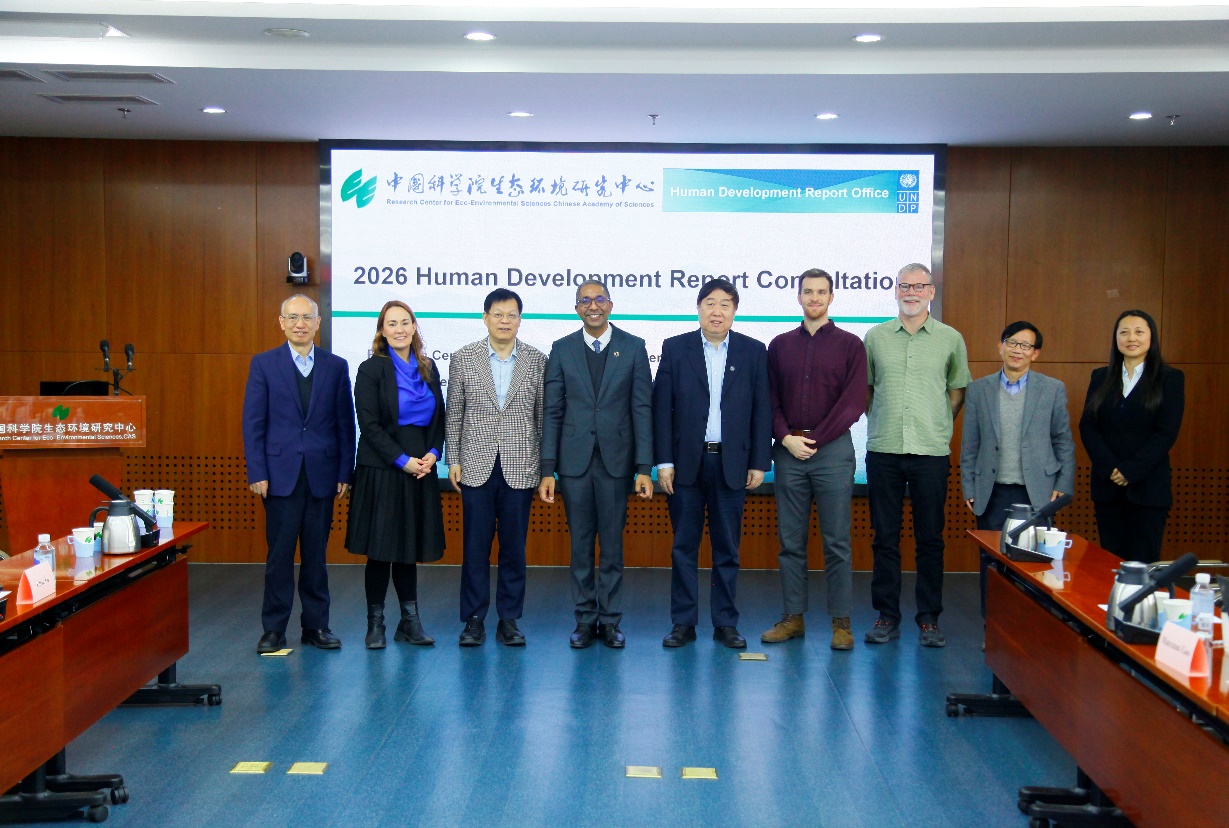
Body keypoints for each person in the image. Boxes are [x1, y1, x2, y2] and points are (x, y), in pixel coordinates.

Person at [653, 278, 771, 650]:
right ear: (698, 308)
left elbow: (762, 410)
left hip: (732, 464)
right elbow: (662, 409)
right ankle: (683, 623)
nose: (716, 311)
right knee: (683, 547)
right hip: (685, 464)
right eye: (709, 303)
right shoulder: (675, 348)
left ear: (734, 310)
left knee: (727, 550)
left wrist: (759, 462)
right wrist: (664, 462)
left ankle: (725, 623)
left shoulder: (753, 351)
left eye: (724, 304)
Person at [539, 279, 654, 649]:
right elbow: (552, 411)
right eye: (585, 300)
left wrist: (644, 467)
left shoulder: (634, 347)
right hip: (573, 464)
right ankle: (585, 620)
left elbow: (642, 410)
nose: (593, 306)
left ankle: (611, 620)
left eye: (599, 299)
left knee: (613, 548)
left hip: (617, 464)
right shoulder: (561, 349)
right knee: (581, 547)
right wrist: (547, 468)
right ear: (577, 308)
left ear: (611, 305)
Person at [863, 264, 970, 648]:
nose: (911, 292)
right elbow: (867, 390)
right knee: (884, 539)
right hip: (884, 450)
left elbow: (957, 391)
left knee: (930, 539)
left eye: (919, 286)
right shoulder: (875, 337)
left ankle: (929, 619)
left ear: (931, 292)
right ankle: (886, 616)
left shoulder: (951, 338)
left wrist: (936, 424)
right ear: (895, 291)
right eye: (905, 286)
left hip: (930, 452)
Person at [242, 294, 356, 654]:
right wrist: (257, 470)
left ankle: (316, 626)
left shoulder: (336, 366)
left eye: (306, 317)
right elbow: (253, 422)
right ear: (281, 322)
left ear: (318, 323)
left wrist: (345, 471)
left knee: (316, 557)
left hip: (323, 475)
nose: (300, 324)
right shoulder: (264, 364)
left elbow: (345, 423)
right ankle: (274, 630)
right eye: (292, 317)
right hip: (279, 476)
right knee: (279, 557)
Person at [761, 269, 867, 651]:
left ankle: (841, 623)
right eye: (808, 291)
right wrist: (786, 438)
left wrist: (815, 439)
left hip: (832, 452)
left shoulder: (851, 345)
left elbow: (854, 403)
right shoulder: (779, 345)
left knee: (836, 541)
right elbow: (769, 398)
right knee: (790, 541)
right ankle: (793, 618)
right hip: (789, 450)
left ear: (832, 297)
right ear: (799, 297)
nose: (815, 298)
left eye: (822, 292)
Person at [446, 288, 546, 647]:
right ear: (485, 317)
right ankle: (473, 619)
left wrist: (545, 468)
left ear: (520, 319)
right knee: (475, 547)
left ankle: (509, 618)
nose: (505, 321)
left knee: (514, 548)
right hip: (475, 465)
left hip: (521, 466)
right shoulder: (464, 358)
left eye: (512, 315)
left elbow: (542, 417)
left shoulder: (537, 360)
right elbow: (454, 413)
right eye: (498, 314)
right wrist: (453, 459)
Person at [346, 301, 446, 649]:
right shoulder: (371, 368)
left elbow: (439, 418)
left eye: (405, 322)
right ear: (382, 330)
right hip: (383, 468)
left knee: (407, 549)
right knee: (380, 551)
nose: (400, 329)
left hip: (421, 467)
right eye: (392, 323)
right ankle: (375, 625)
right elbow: (369, 424)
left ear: (414, 327)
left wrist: (433, 454)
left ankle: (410, 623)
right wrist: (401, 460)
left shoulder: (428, 367)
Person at [961, 321, 1075, 613]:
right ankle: (993, 626)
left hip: (1037, 492)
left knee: (1036, 565)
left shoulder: (1052, 389)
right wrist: (969, 486)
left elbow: (1063, 440)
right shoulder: (978, 389)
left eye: (1025, 346)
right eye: (1012, 343)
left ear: (1035, 353)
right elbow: (970, 444)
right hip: (991, 491)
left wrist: (1063, 484)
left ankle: (1030, 629)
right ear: (1000, 347)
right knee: (992, 563)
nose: (1017, 350)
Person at [1079, 310, 1185, 563]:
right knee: (1110, 563)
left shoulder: (1170, 378)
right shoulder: (1100, 377)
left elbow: (1166, 432)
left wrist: (1130, 470)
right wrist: (1110, 467)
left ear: (1151, 337)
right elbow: (1088, 427)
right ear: (1116, 338)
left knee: (1143, 565)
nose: (1131, 338)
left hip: (1148, 487)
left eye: (1139, 332)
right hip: (1108, 487)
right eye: (1124, 332)